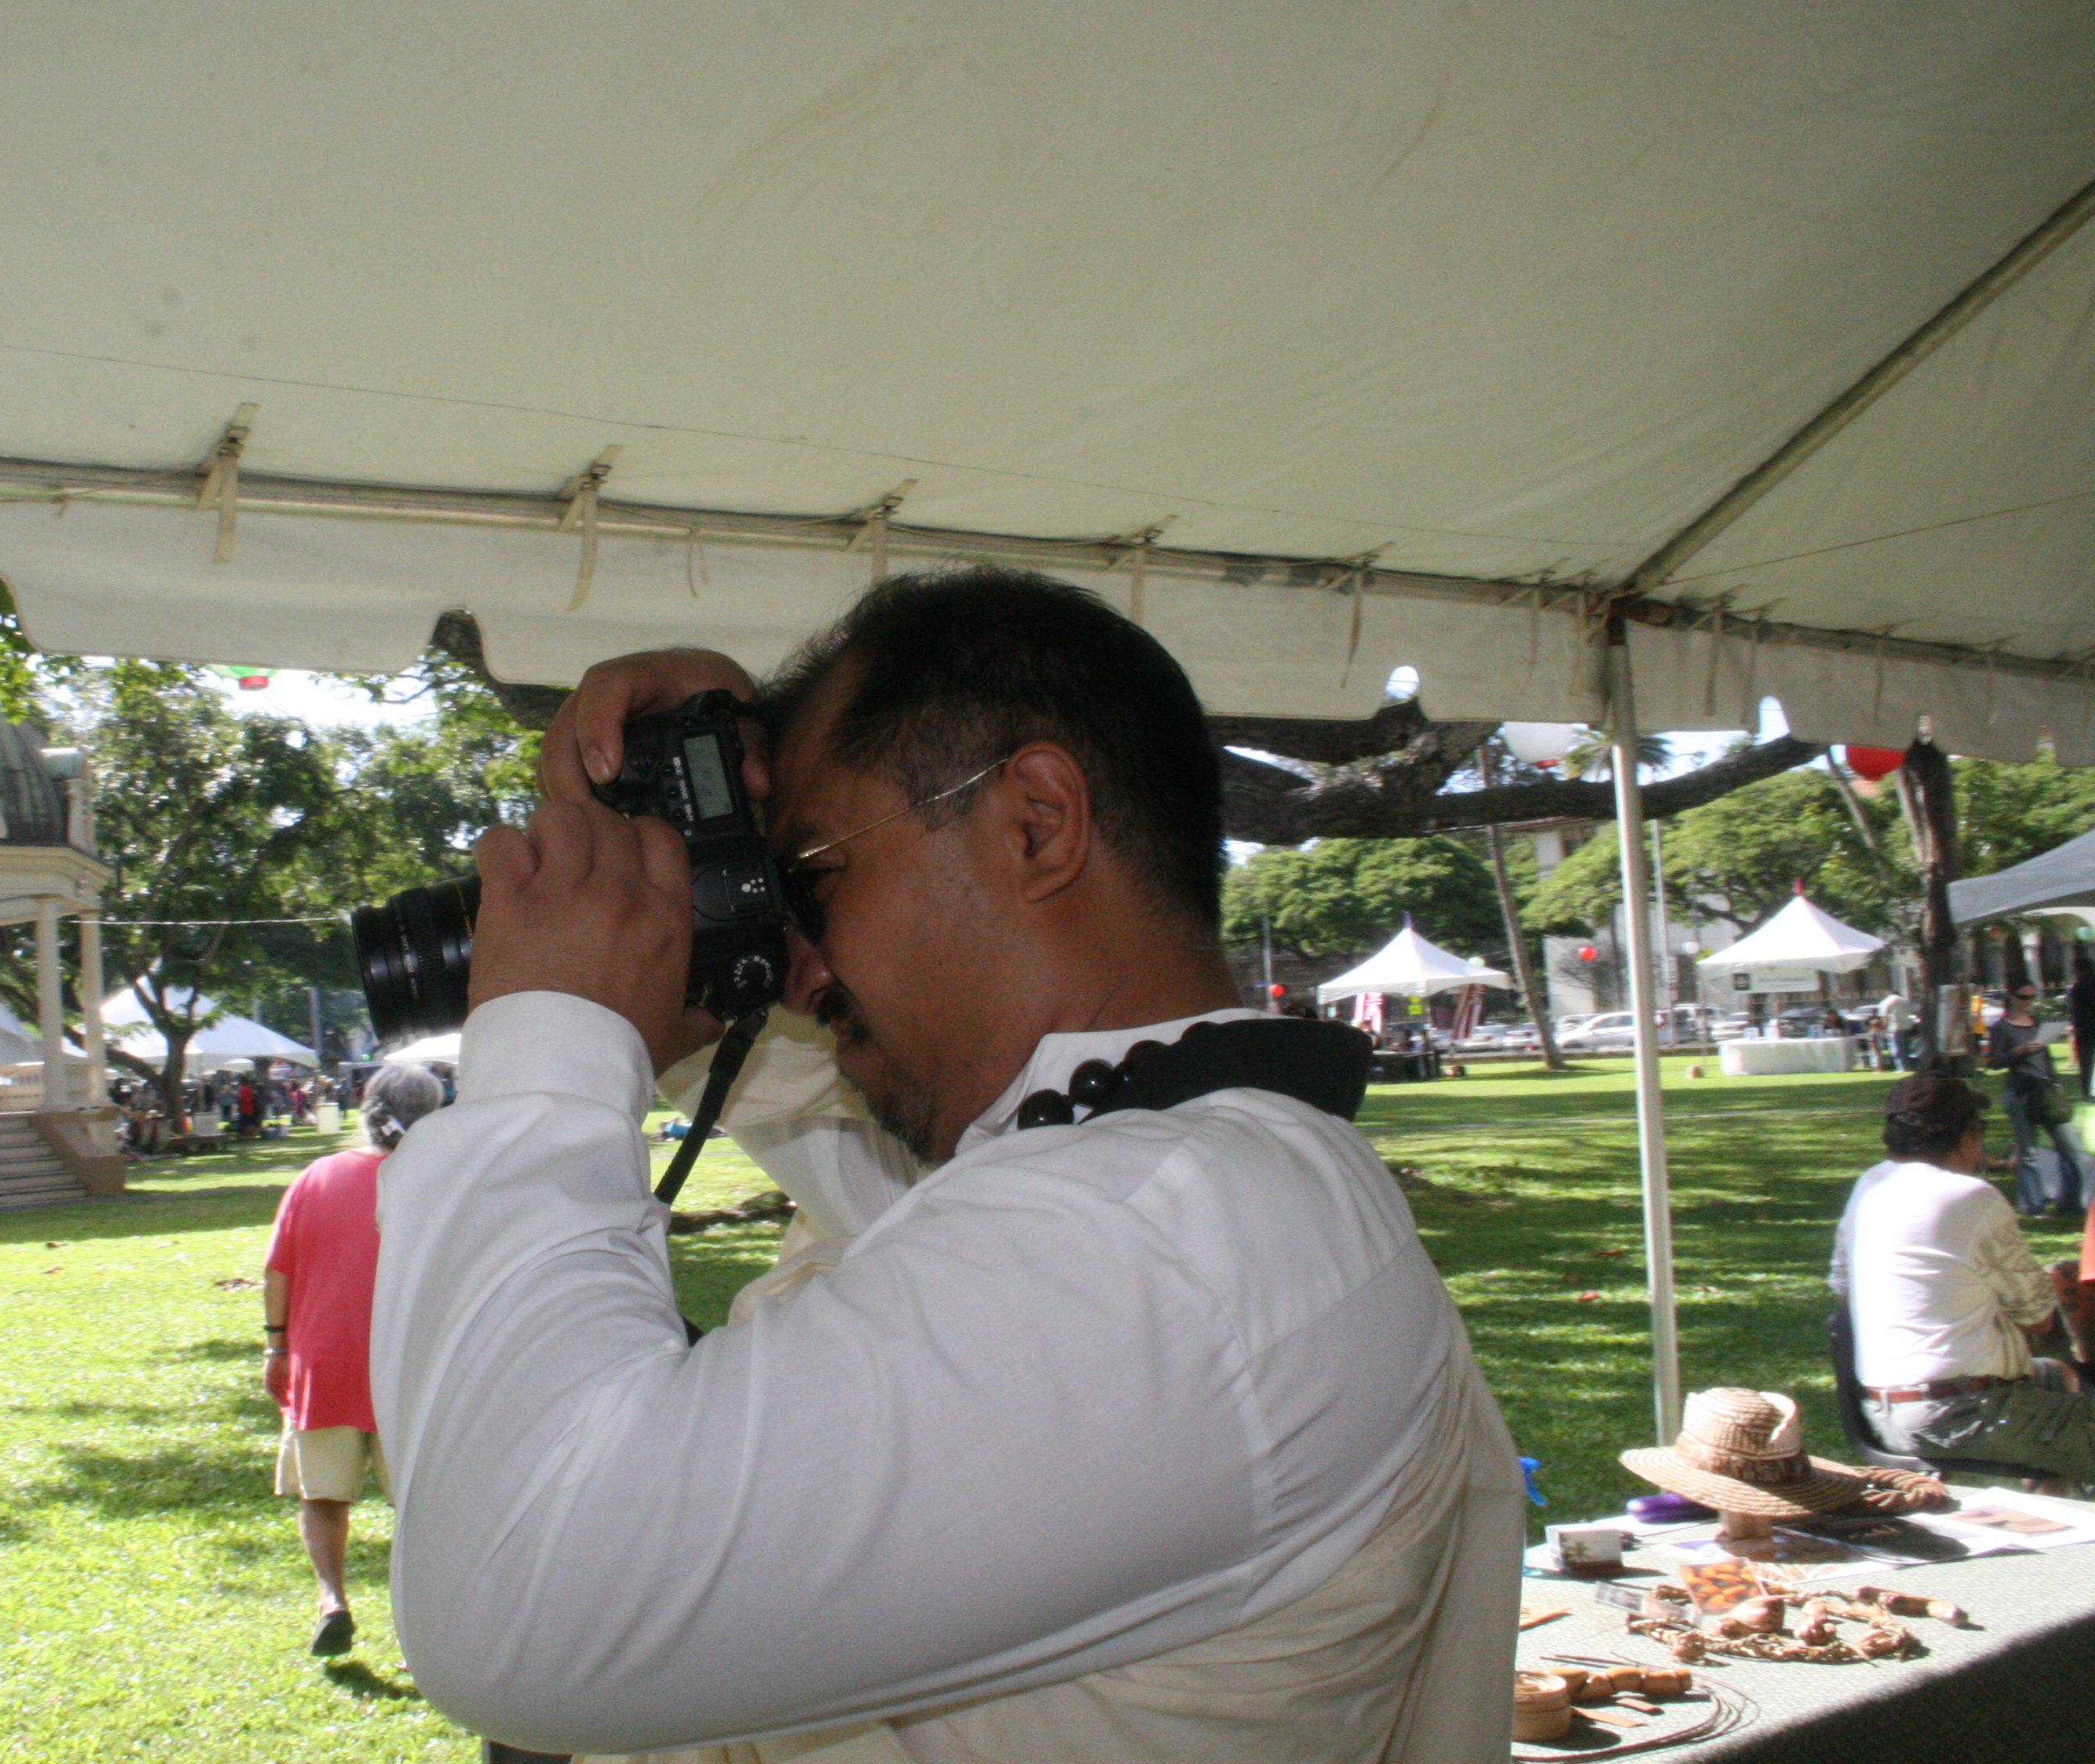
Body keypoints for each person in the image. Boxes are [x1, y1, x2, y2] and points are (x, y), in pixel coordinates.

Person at [371, 569, 1520, 1762]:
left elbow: (525, 1598)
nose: (798, 961)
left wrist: (555, 1032)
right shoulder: (1142, 1168)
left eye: (809, 877)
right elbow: (817, 1108)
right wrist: (702, 837)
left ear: (1036, 822)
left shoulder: (1158, 1241)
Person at [1831, 1072, 2095, 1485]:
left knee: (2059, 1378)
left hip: (1880, 1412)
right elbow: (2039, 1318)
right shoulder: (1972, 1197)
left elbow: (1844, 1296)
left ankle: (2048, 1508)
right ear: (1966, 1137)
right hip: (1965, 1413)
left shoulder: (1870, 1185)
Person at [264, 1061, 445, 1659]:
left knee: (322, 1496)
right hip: (413, 1367)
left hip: (325, 1363)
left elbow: (277, 1271)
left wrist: (275, 1346)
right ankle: (428, 1619)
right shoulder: (444, 1186)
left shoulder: (317, 1177)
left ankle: (331, 1601)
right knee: (421, 1505)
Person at [1986, 982, 2086, 1218]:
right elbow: (1994, 1062)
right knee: (2028, 1154)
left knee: (2072, 1150)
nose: (2028, 1002)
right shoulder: (2002, 1028)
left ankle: (2070, 1204)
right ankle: (2034, 1206)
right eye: (2023, 997)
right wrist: (2019, 1052)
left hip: (2047, 1091)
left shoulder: (2038, 1023)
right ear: (2012, 997)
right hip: (2021, 1094)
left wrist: (2054, 1082)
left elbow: (2046, 1060)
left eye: (2032, 997)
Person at [2071, 953, 2095, 1103]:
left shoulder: (2079, 987)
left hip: (2086, 1031)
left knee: (2087, 1064)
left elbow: (2079, 1012)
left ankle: (2089, 1093)